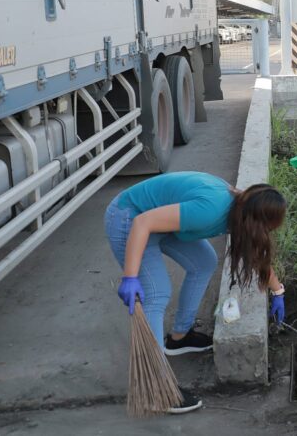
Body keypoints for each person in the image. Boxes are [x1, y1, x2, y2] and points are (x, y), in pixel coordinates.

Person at [106, 173, 287, 414]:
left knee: (203, 261)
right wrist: (130, 277)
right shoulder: (211, 209)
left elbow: (256, 254)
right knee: (157, 293)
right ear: (254, 220)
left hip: (156, 219)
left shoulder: (241, 207)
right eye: (266, 229)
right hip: (129, 218)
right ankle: (156, 387)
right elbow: (142, 223)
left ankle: (179, 337)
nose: (265, 235)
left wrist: (278, 290)